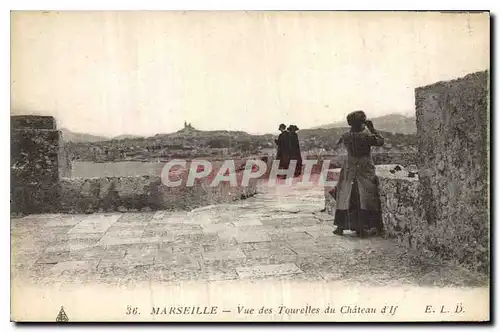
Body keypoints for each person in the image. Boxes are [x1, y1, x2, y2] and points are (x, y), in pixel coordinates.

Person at [333, 111, 384, 237]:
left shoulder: (345, 136)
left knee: (346, 196)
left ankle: (341, 226)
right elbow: (380, 141)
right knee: (365, 197)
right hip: (364, 169)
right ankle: (362, 227)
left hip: (349, 168)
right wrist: (372, 128)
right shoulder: (366, 137)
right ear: (362, 123)